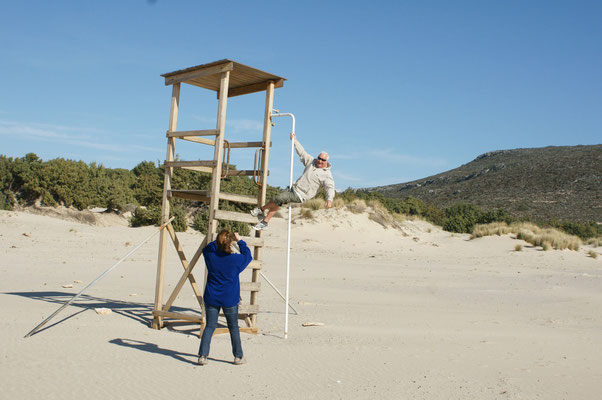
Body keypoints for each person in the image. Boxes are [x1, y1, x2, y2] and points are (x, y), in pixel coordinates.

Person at [251, 133, 335, 230]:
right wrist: (295, 141)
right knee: (278, 202)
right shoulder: (312, 162)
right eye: (319, 158)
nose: (319, 161)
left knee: (278, 198)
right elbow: (302, 153)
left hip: (301, 195)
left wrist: (329, 199)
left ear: (326, 162)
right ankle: (265, 222)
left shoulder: (327, 175)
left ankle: (261, 209)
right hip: (294, 187)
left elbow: (330, 187)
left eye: (322, 160)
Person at [198, 229, 252, 366]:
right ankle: (238, 357)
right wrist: (240, 240)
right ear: (230, 243)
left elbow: (207, 248)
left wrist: (218, 242)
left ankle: (203, 356)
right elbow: (248, 255)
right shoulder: (235, 260)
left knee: (210, 326)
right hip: (229, 298)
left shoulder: (211, 256)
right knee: (233, 327)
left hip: (212, 297)